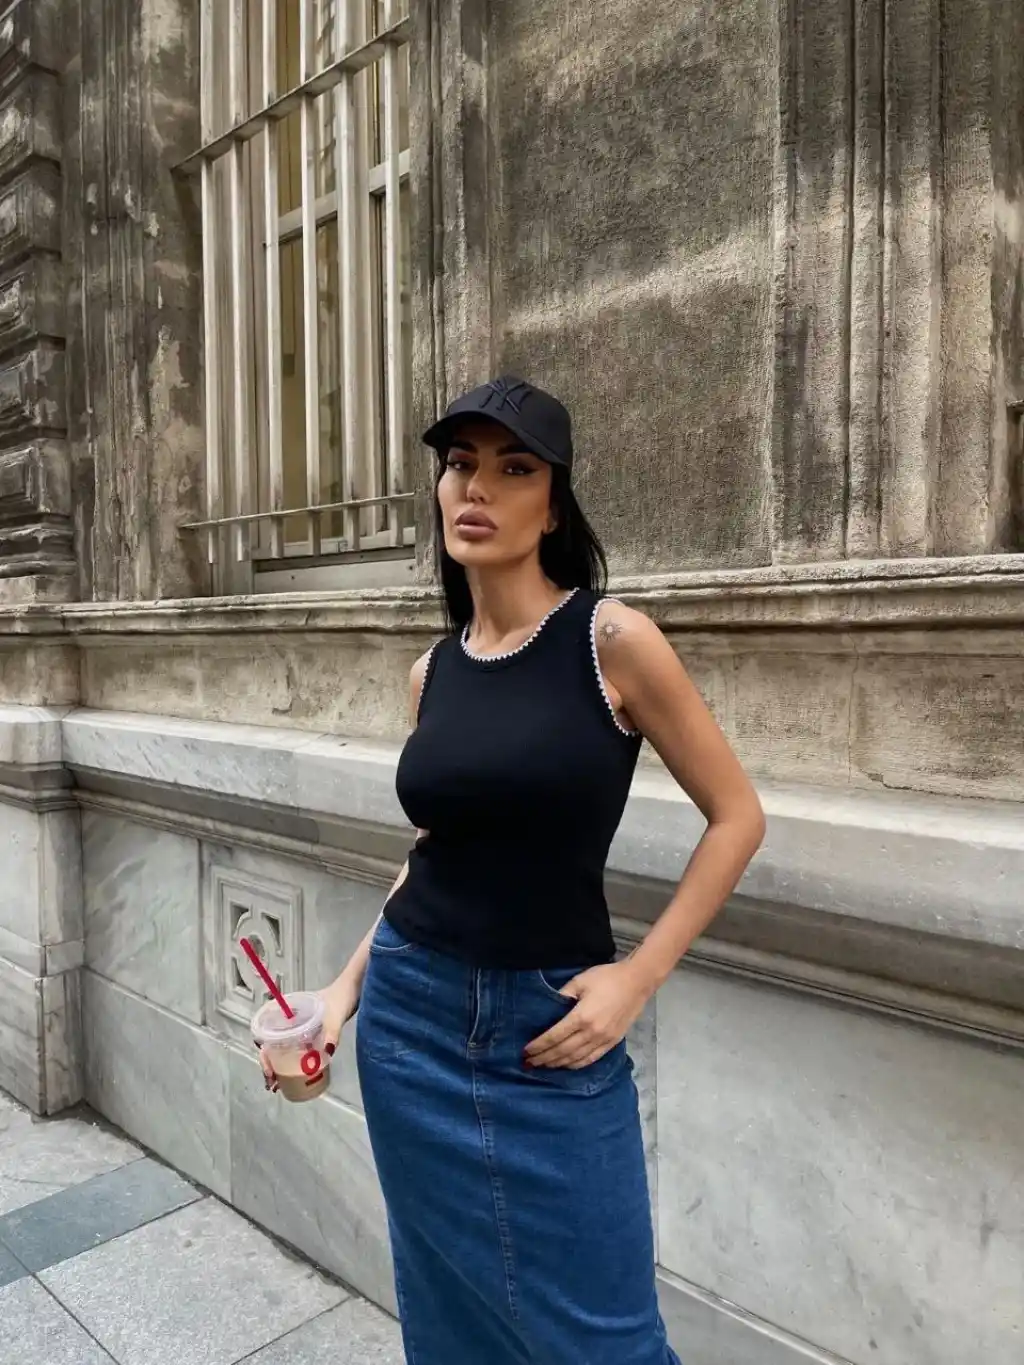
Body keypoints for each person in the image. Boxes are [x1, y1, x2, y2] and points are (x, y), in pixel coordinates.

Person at [260, 376, 766, 1363]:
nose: (477, 487)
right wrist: (338, 995)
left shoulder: (609, 642)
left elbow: (737, 817)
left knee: (611, 1343)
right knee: (451, 1326)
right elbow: (432, 857)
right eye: (460, 464)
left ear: (553, 505)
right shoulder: (433, 673)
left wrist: (637, 976)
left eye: (514, 467)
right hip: (408, 1026)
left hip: (549, 1034)